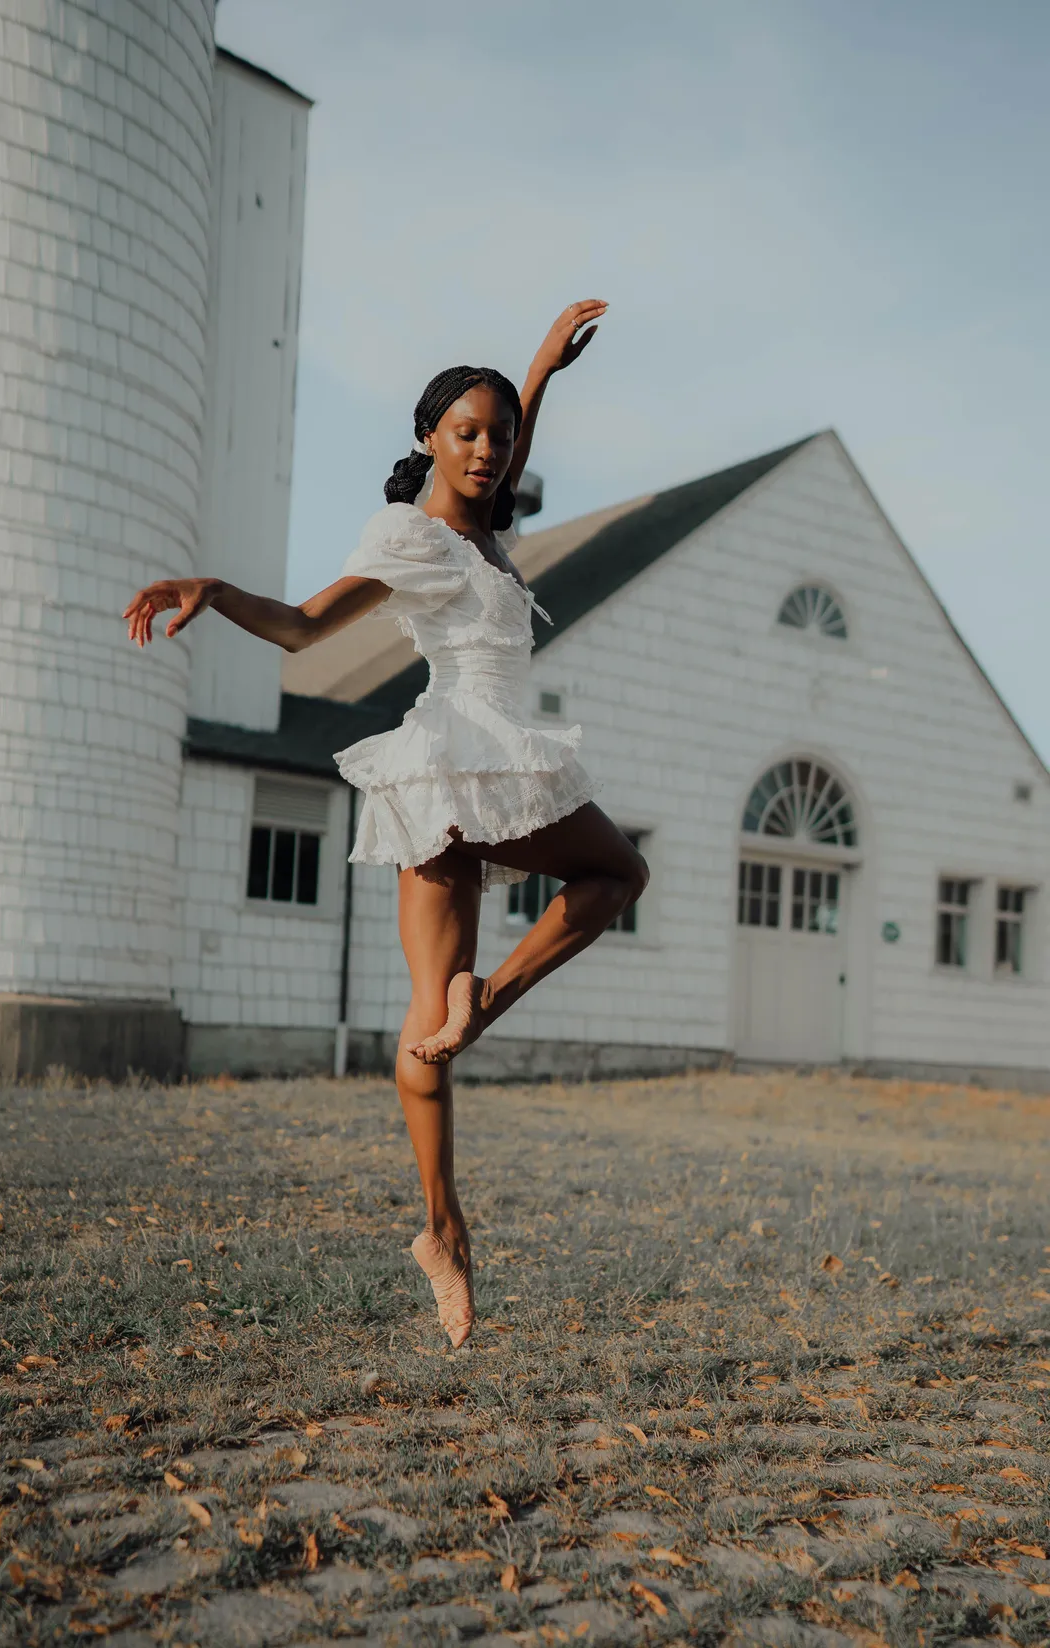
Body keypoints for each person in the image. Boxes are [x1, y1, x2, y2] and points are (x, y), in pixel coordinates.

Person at [125, 302, 648, 1349]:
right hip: (470, 755)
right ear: (428, 441)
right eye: (468, 432)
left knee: (427, 1029)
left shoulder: (489, 528)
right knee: (617, 876)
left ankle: (444, 1224)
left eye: (500, 434)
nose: (491, 448)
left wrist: (541, 366)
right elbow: (311, 625)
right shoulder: (413, 536)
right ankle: (478, 1040)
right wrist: (218, 591)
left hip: (447, 776)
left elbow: (513, 445)